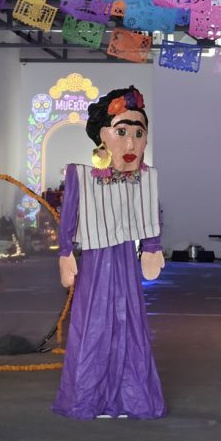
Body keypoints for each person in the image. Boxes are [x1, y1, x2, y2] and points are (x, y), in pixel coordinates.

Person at [53, 86, 165, 421]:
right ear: (103, 136)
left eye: (139, 134)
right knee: (94, 322)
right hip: (96, 259)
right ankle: (90, 396)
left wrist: (152, 246)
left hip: (124, 258)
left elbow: (151, 214)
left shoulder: (144, 179)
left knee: (129, 320)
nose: (131, 144)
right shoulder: (82, 176)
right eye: (122, 132)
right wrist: (65, 252)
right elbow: (69, 215)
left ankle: (130, 395)